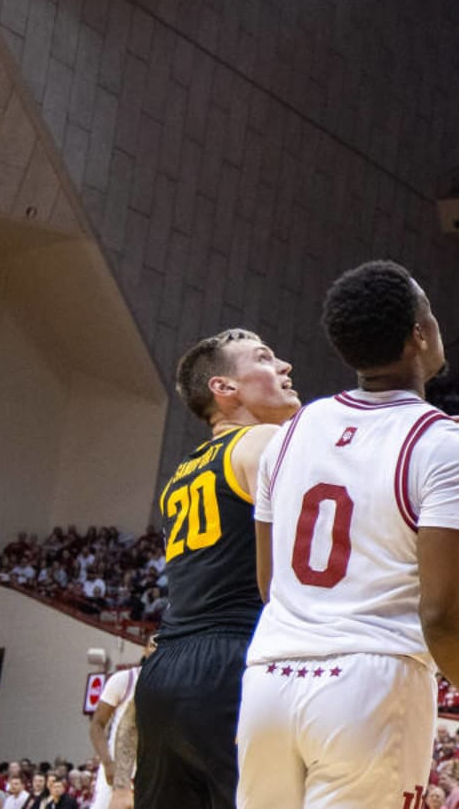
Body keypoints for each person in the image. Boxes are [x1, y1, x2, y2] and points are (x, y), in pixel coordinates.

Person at [235, 261, 459, 804]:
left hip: (269, 678)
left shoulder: (290, 433)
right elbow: (444, 614)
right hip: (370, 685)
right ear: (419, 334)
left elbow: (270, 585)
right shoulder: (446, 446)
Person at [134, 328, 301, 809]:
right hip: (233, 661)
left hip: (163, 670)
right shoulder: (264, 441)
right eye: (266, 359)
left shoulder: (180, 476)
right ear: (224, 389)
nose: (285, 367)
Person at [89, 637, 155, 809]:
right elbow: (97, 724)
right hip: (117, 770)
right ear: (145, 649)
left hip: (150, 774)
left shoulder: (175, 685)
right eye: (153, 644)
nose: (157, 649)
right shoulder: (124, 679)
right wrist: (107, 763)